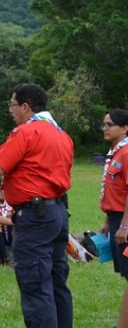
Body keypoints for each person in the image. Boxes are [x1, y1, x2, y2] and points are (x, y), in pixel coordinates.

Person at [0, 83, 73, 328]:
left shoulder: (25, 132)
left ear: (25, 106)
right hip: (57, 211)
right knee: (56, 281)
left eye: (12, 104)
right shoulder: (62, 135)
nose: (11, 110)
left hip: (35, 215)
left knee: (34, 283)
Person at [99, 108, 128, 326]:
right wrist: (109, 220)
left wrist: (125, 226)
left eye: (110, 124)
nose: (105, 128)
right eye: (104, 124)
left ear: (125, 128)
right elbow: (115, 189)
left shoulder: (126, 153)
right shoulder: (115, 152)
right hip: (116, 218)